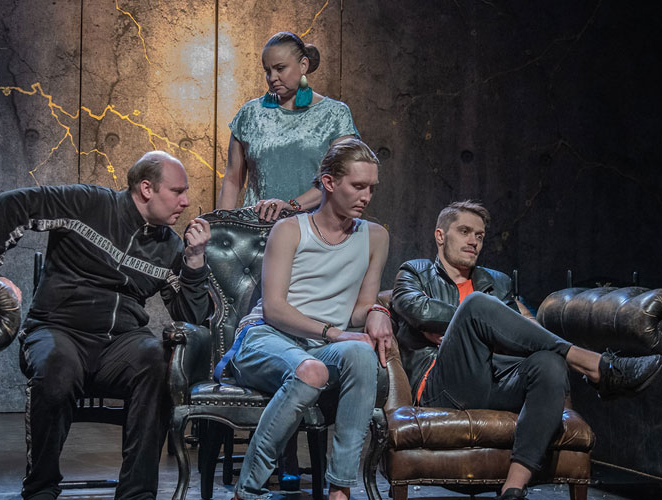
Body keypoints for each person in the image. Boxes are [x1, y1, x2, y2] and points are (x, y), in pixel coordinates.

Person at [0, 151, 212, 500]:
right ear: (147, 188)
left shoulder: (171, 247)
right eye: (178, 191)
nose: (186, 201)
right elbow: (14, 203)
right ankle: (41, 489)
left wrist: (194, 261)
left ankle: (137, 494)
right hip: (58, 329)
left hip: (121, 343)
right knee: (57, 365)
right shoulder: (88, 203)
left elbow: (190, 317)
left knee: (159, 362)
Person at [391, 200, 662, 500]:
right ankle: (595, 365)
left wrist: (477, 327)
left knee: (548, 362)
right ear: (440, 235)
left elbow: (515, 340)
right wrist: (469, 322)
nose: (474, 241)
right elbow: (417, 310)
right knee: (476, 304)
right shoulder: (414, 272)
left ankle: (513, 488)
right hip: (441, 388)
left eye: (480, 235)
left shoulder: (498, 282)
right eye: (464, 231)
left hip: (494, 380)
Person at [226, 139, 392, 500]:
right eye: (358, 186)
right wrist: (334, 333)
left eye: (371, 188)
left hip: (319, 347)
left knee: (362, 354)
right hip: (266, 337)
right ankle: (246, 491)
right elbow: (274, 308)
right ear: (329, 182)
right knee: (312, 370)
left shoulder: (375, 237)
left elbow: (362, 306)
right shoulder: (290, 230)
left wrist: (378, 311)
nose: (366, 196)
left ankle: (340, 490)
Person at [217, 31, 358, 221]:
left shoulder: (336, 114)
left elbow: (340, 178)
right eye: (268, 71)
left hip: (315, 229)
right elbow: (233, 180)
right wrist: (221, 225)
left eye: (280, 68)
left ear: (303, 65)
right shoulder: (250, 114)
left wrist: (292, 206)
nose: (272, 77)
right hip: (258, 230)